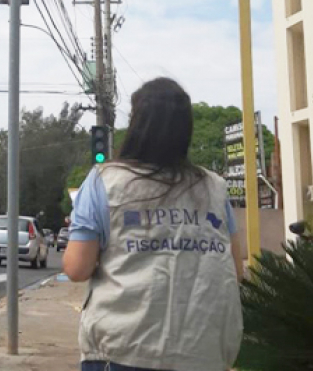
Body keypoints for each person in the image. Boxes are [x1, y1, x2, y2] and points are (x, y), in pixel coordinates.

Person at [64, 78, 244, 371]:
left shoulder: (105, 180)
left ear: (137, 125)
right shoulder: (214, 187)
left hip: (123, 349)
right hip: (203, 350)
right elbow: (236, 270)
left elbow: (76, 268)